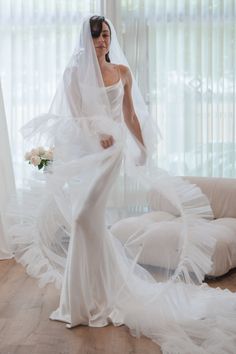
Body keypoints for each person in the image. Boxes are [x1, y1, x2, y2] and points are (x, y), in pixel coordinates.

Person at [6, 15, 236, 353]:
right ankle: (89, 296)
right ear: (87, 39)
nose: (102, 41)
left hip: (113, 154)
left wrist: (142, 149)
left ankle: (91, 296)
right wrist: (94, 135)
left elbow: (129, 116)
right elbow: (75, 117)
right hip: (88, 155)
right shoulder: (74, 73)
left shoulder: (123, 73)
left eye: (106, 36)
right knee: (88, 221)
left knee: (85, 218)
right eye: (97, 36)